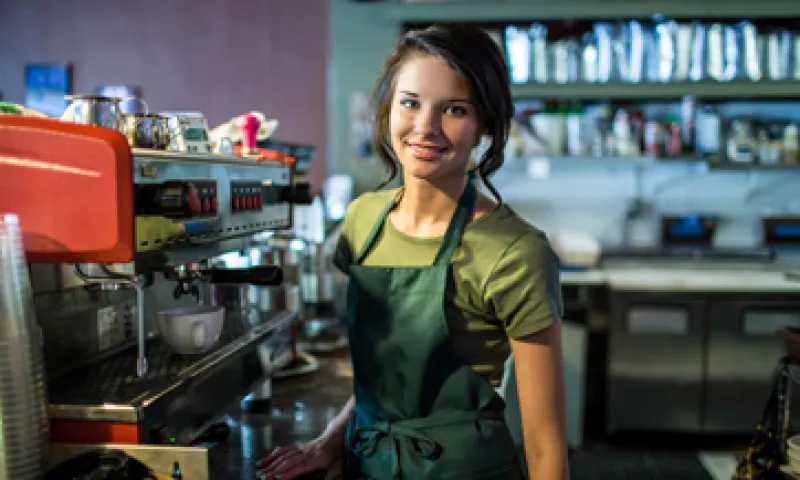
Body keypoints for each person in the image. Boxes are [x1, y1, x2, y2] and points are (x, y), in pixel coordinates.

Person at [257, 23, 568, 480]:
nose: (425, 127)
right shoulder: (362, 221)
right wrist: (329, 443)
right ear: (387, 111)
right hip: (366, 464)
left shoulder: (515, 252)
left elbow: (545, 447)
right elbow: (384, 384)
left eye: (455, 109)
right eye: (410, 103)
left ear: (484, 123)